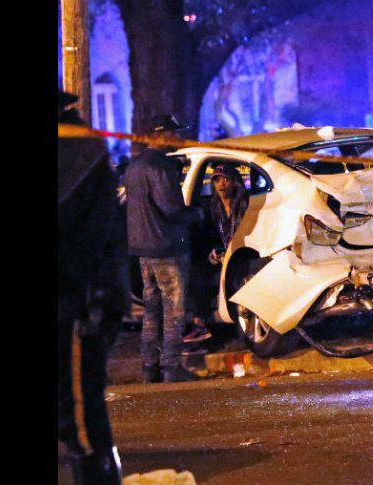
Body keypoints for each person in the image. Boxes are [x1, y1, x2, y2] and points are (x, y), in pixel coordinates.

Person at [58, 89, 128, 484]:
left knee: (79, 415)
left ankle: (99, 474)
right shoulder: (80, 146)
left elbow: (85, 236)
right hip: (80, 297)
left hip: (75, 303)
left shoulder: (76, 151)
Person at [123, 114, 204, 383]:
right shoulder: (161, 167)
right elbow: (171, 209)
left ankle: (149, 368)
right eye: (173, 133)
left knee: (152, 310)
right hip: (167, 247)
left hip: (143, 249)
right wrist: (197, 215)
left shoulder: (133, 167)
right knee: (174, 310)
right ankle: (171, 367)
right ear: (162, 134)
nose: (177, 138)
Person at [184, 164, 249, 343]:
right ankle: (200, 325)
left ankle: (244, 329)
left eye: (226, 179)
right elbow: (210, 235)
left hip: (240, 254)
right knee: (199, 272)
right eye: (217, 179)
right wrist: (213, 253)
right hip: (221, 255)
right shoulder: (212, 207)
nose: (221, 184)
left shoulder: (244, 204)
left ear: (235, 182)